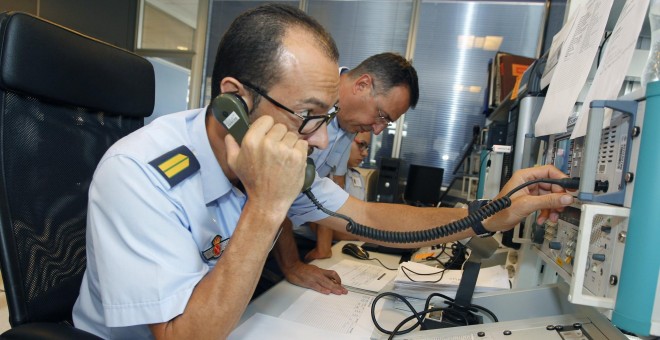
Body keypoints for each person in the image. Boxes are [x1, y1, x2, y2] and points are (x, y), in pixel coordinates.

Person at [72, 4, 574, 338]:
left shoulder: (266, 157)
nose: (316, 139)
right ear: (235, 102)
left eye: (325, 118)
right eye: (307, 115)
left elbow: (370, 217)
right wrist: (268, 205)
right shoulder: (139, 174)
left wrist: (490, 213)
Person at [300, 132, 371, 262]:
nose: (365, 153)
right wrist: (364, 235)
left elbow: (360, 219)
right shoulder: (320, 173)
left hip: (342, 243)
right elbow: (317, 226)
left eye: (367, 148)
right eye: (361, 145)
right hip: (307, 244)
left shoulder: (357, 177)